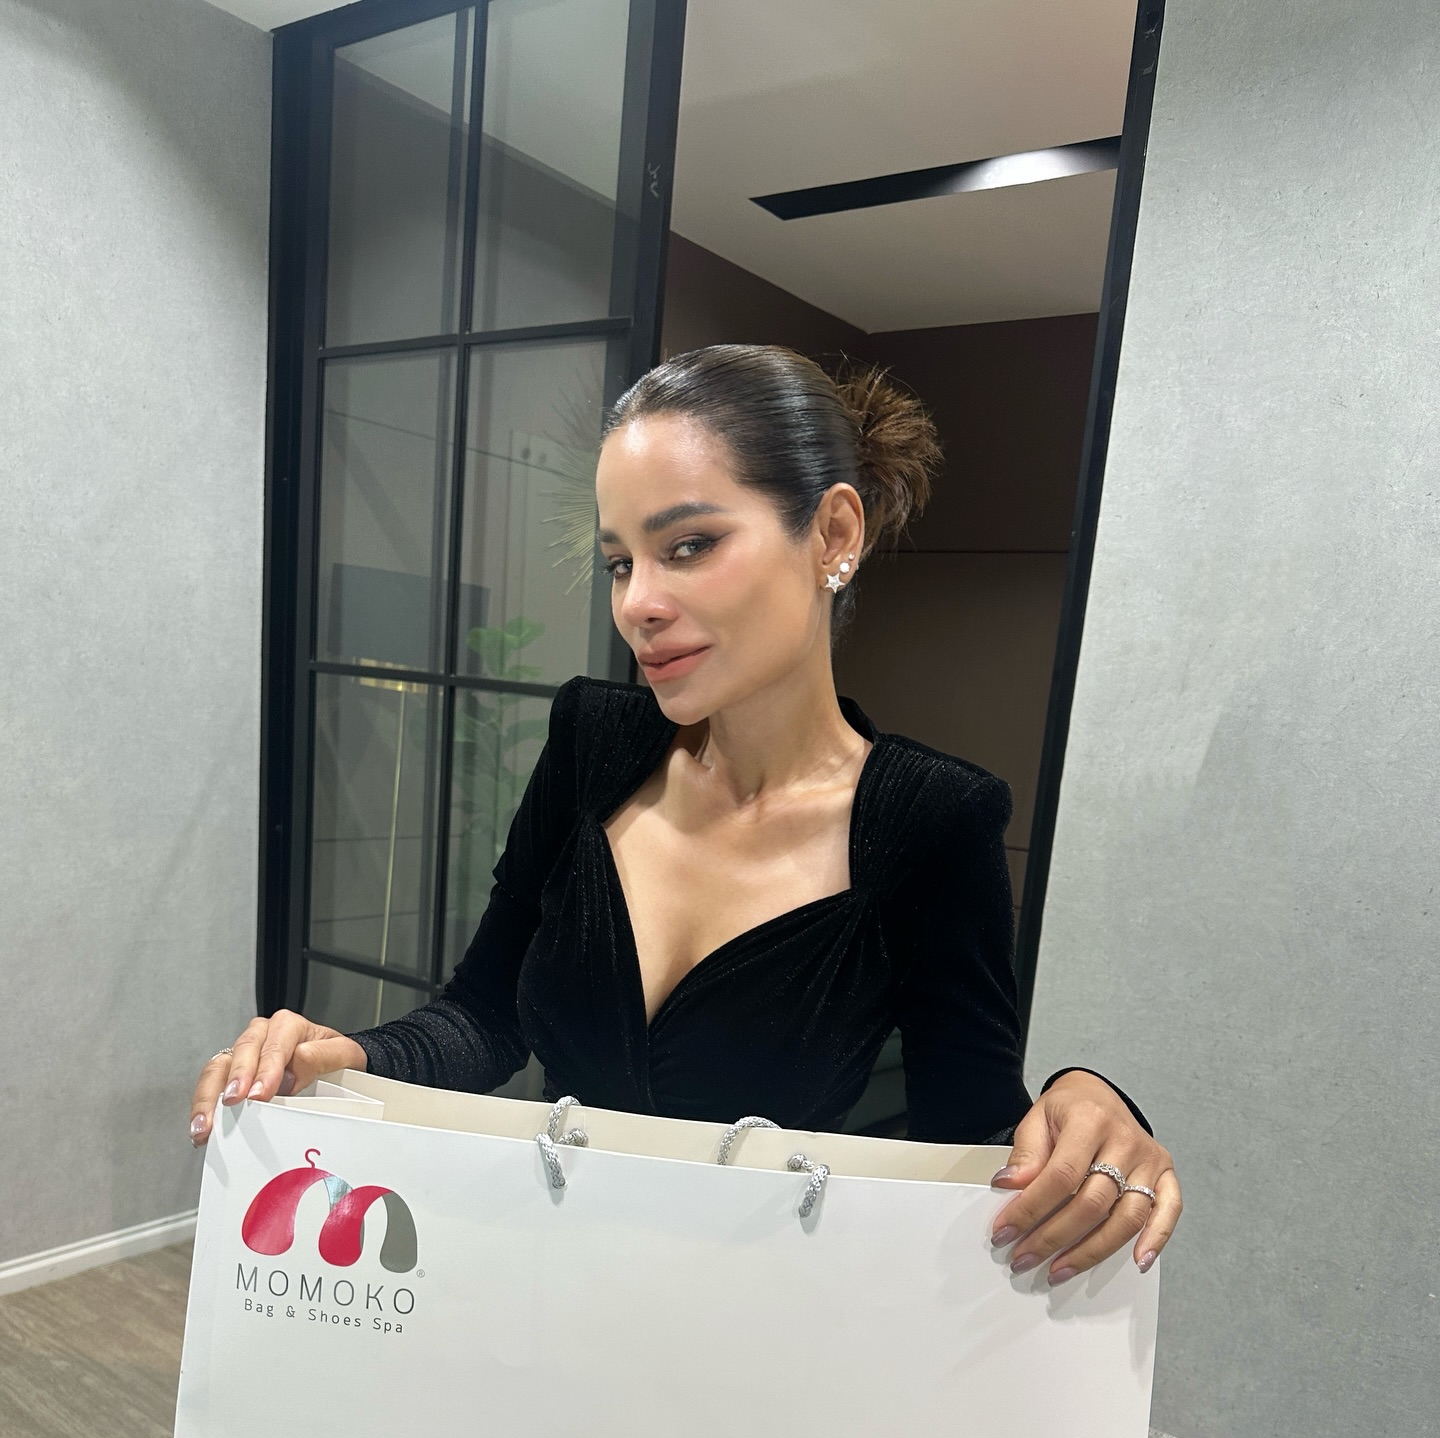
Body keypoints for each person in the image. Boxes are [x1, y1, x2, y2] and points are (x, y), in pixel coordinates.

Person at [190, 344, 1180, 1285]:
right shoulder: (592, 744)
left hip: (749, 1333)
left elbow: (967, 1147)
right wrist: (351, 1058)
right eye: (621, 562)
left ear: (834, 535)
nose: (638, 604)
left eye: (690, 546)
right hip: (538, 1288)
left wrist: (1082, 1106)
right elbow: (484, 1016)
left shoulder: (932, 820)